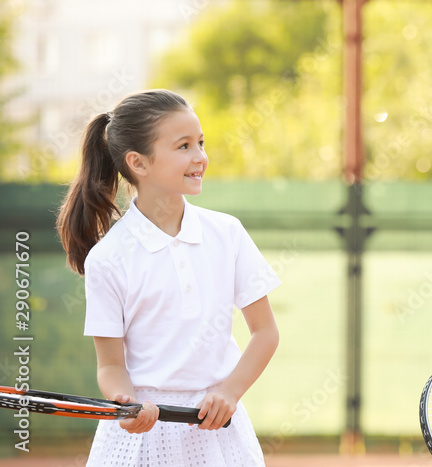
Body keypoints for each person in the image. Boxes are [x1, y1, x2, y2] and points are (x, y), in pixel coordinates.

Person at [56, 89, 280, 467]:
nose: (200, 157)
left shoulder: (227, 233)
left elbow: (265, 332)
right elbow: (110, 366)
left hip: (220, 435)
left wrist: (229, 392)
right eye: (183, 146)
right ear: (138, 163)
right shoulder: (108, 258)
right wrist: (126, 405)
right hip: (140, 442)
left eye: (201, 143)